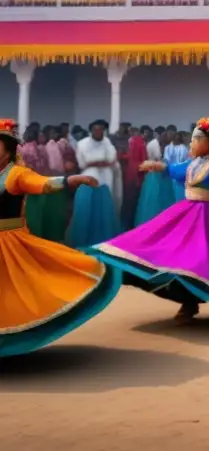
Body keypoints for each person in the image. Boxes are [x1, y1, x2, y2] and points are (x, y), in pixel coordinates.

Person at [88, 117, 209, 324]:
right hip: (187, 214)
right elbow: (176, 170)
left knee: (198, 261)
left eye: (197, 138)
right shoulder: (193, 163)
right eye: (192, 139)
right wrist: (158, 166)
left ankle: (190, 302)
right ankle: (185, 300)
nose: (192, 143)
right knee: (166, 251)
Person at [0, 119, 122, 357]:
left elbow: (42, 183)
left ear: (7, 149)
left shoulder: (16, 174)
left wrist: (69, 180)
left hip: (8, 243)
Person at [67, 120, 120, 247]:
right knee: (86, 209)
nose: (99, 132)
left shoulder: (107, 142)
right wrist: (98, 162)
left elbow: (112, 159)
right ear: (91, 131)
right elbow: (82, 163)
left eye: (101, 129)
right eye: (96, 129)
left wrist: (101, 162)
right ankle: (83, 241)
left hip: (105, 179)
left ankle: (104, 240)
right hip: (89, 178)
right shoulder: (82, 144)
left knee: (104, 209)